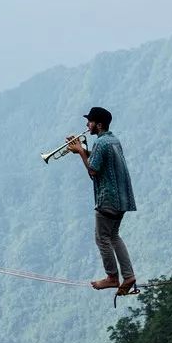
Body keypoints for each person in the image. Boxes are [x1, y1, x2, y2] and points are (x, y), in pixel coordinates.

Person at [67, 107, 137, 293]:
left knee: (101, 238)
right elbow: (101, 160)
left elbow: (93, 171)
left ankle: (112, 277)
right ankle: (128, 276)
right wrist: (83, 151)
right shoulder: (112, 140)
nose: (87, 125)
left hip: (107, 198)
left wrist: (81, 152)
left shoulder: (100, 143)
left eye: (90, 122)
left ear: (99, 125)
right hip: (122, 199)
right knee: (113, 236)